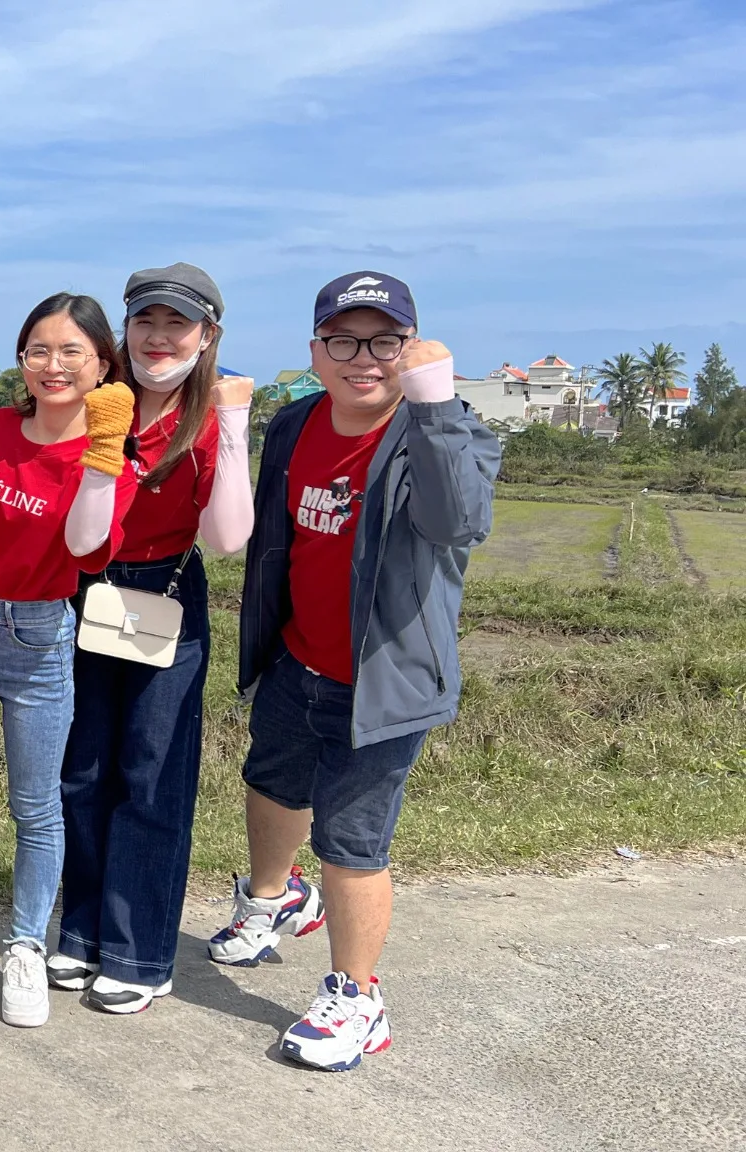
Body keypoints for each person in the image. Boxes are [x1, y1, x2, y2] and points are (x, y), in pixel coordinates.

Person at [211, 271, 499, 1071]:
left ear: (410, 349)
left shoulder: (448, 428)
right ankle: (270, 900)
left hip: (385, 682)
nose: (362, 357)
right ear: (316, 350)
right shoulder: (296, 422)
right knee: (269, 781)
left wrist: (436, 404)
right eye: (343, 339)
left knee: (352, 839)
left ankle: (356, 995)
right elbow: (270, 529)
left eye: (383, 340)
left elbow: (456, 522)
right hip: (297, 655)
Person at [0, 292, 137, 1028]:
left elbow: (84, 549)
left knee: (35, 808)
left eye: (74, 351)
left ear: (104, 364)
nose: (54, 364)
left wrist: (102, 456)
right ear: (21, 359)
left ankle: (24, 948)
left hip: (39, 640)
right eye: (39, 349)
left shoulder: (108, 461)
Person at [53, 264, 255, 1014]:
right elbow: (82, 541)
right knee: (85, 766)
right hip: (95, 589)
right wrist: (104, 450)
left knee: (150, 773)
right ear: (125, 331)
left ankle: (140, 952)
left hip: (168, 591)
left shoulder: (208, 418)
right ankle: (83, 931)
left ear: (207, 338)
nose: (160, 338)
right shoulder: (98, 408)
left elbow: (228, 537)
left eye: (178, 325)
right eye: (146, 322)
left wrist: (232, 427)